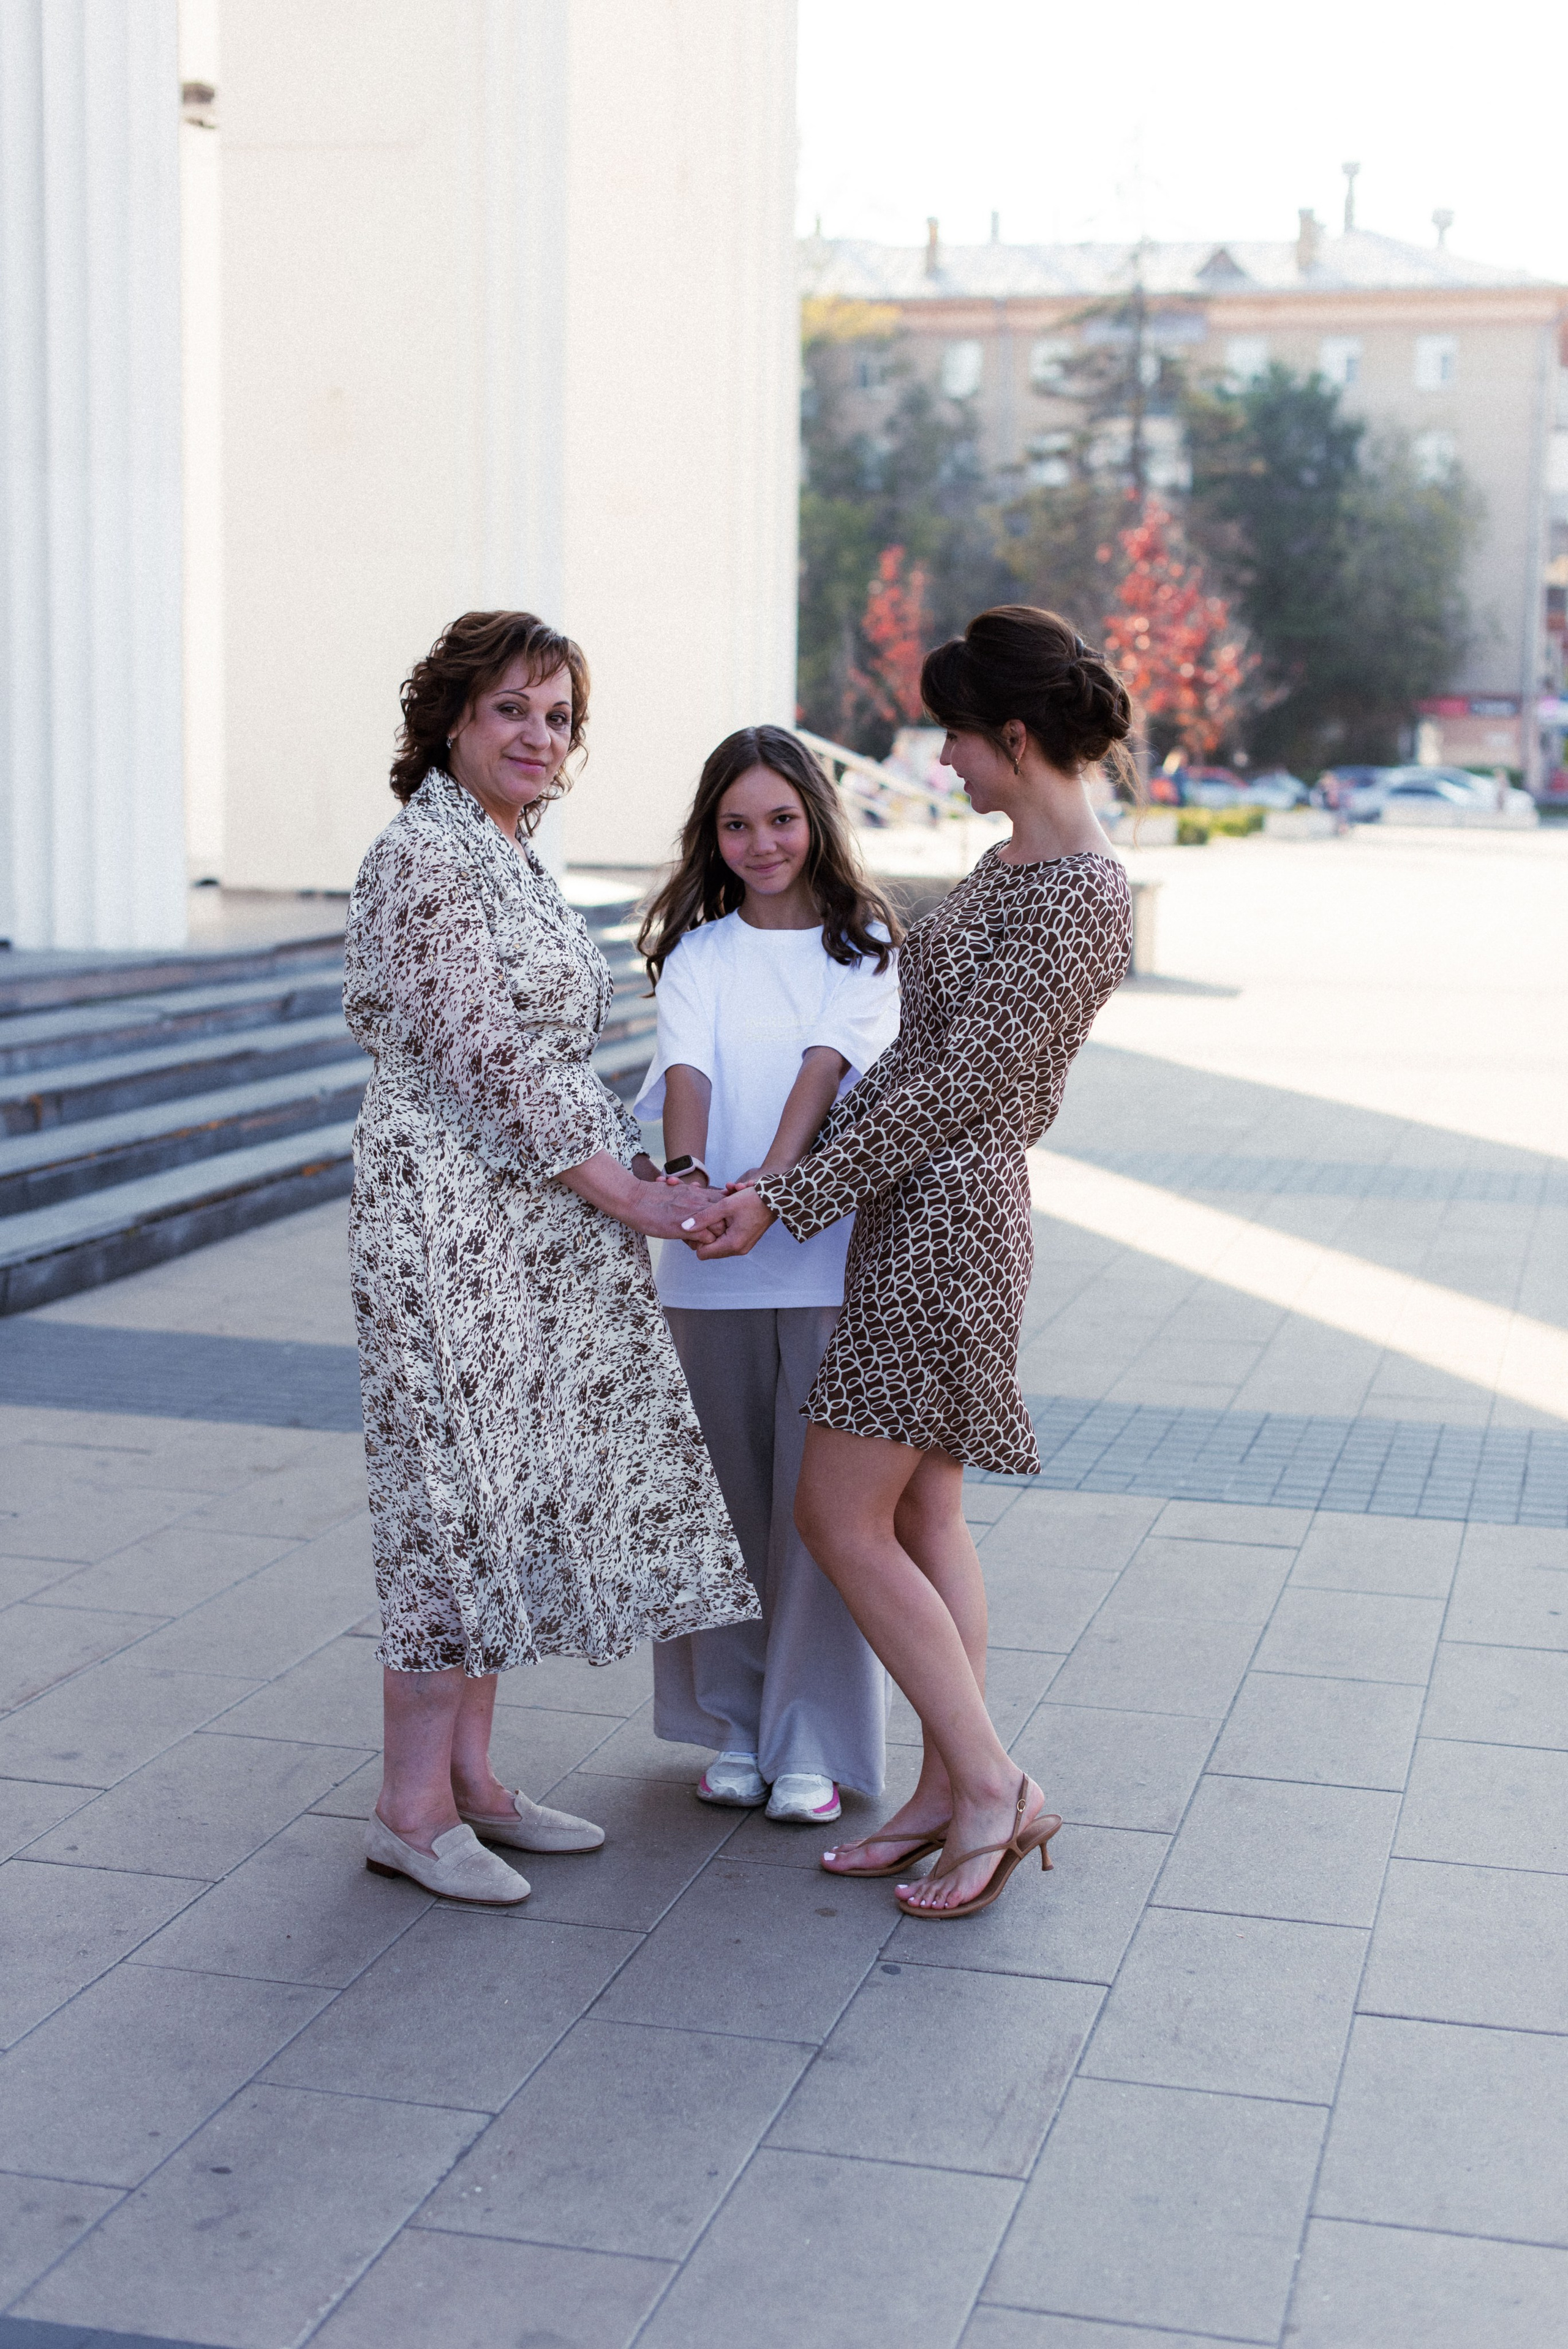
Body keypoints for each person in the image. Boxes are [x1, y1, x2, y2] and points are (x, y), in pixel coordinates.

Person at [684, 608, 1134, 1920]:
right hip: (904, 1217)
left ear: (1014, 735)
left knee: (837, 1516)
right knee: (924, 1518)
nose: (942, 759)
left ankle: (993, 1786)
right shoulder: (1009, 866)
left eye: (955, 734)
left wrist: (786, 1198)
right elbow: (900, 1042)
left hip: (945, 1230)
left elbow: (954, 1090)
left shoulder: (1080, 894)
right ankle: (944, 1788)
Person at [344, 611, 758, 1906]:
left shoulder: (509, 849)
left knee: (509, 1491)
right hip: (449, 1213)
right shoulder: (425, 855)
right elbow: (490, 1054)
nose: (539, 735)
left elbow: (547, 1058)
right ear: (453, 719)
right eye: (512, 708)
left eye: (559, 715)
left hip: (529, 1214)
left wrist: (630, 1180)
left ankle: (470, 1780)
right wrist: (627, 1191)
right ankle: (409, 1809)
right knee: (451, 1498)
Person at [633, 727, 902, 1823]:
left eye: (781, 819)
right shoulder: (699, 955)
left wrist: (771, 1194)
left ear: (816, 821)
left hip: (828, 1266)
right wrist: (691, 1186)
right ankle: (737, 1726)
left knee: (821, 1518)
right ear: (714, 835)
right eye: (737, 824)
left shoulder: (867, 948)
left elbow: (821, 1072)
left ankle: (813, 1742)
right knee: (723, 1511)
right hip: (709, 1275)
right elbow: (685, 1076)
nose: (761, 843)